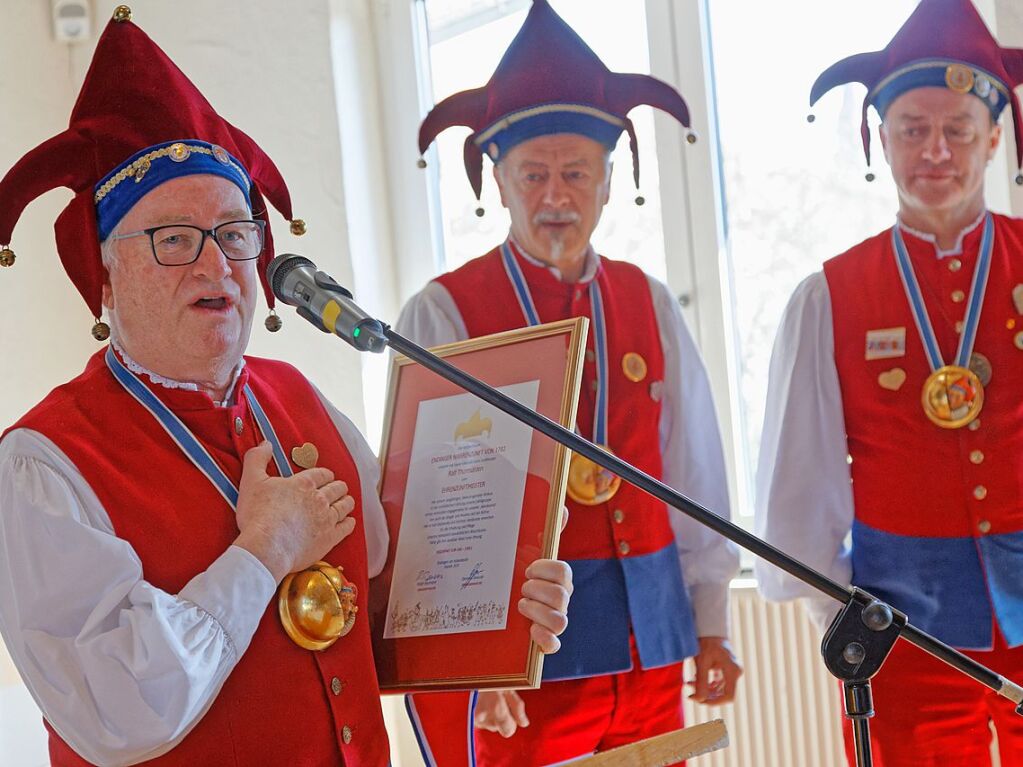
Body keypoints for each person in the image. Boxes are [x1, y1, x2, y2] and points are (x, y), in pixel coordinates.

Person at [0, 8, 571, 766]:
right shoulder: (42, 463)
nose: (216, 265)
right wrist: (262, 550)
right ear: (103, 270)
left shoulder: (297, 395)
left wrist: (491, 625)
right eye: (174, 239)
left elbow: (380, 604)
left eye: (236, 234)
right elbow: (119, 709)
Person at [397, 3, 741, 765]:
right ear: (498, 180)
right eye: (534, 174)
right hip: (527, 661)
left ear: (609, 182)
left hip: (651, 640)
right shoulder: (444, 311)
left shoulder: (649, 299)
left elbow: (696, 471)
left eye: (576, 172)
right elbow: (432, 511)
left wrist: (711, 619)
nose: (556, 195)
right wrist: (477, 663)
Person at [755, 1, 1023, 764]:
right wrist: (838, 617)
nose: (934, 151)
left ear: (993, 139)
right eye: (912, 129)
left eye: (957, 131)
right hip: (903, 638)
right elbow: (799, 492)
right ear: (879, 138)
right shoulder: (827, 297)